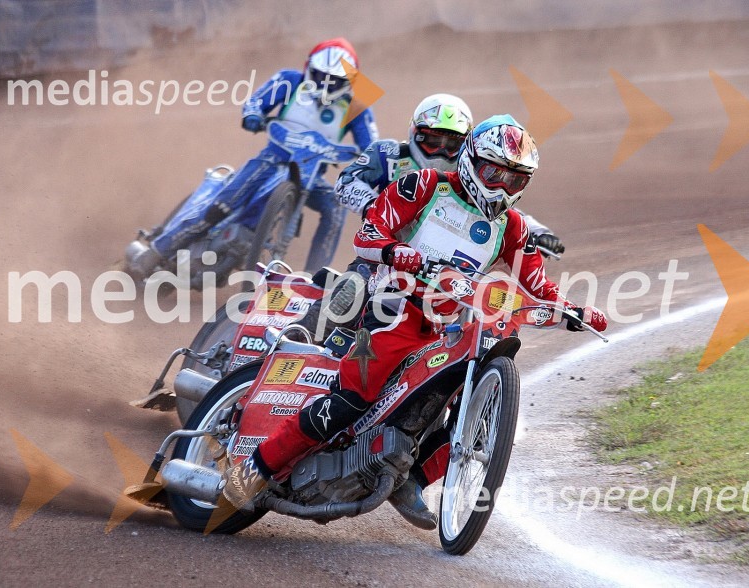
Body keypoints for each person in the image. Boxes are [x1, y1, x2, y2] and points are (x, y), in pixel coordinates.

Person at [224, 115, 607, 528]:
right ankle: (255, 468)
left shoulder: (512, 227)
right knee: (351, 400)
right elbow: (368, 234)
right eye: (494, 173)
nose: (501, 187)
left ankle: (411, 479)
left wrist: (574, 310)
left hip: (445, 328)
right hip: (393, 308)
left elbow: (537, 284)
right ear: (470, 160)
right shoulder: (425, 186)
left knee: (464, 409)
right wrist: (395, 251)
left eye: (515, 180)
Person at [298, 95, 565, 342]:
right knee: (352, 287)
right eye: (433, 141)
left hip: (452, 272)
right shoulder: (389, 154)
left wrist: (539, 232)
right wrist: (372, 207)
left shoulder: (473, 173)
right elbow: (346, 181)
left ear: (467, 147)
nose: (441, 151)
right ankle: (301, 336)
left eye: (452, 144)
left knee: (480, 312)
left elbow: (501, 213)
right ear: (415, 133)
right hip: (385, 256)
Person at [148, 38, 379, 273]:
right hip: (271, 160)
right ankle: (157, 252)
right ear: (309, 68)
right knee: (225, 203)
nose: (328, 84)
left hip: (311, 176)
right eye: (322, 76)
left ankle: (315, 278)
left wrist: (374, 164)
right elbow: (256, 102)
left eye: (336, 80)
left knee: (335, 206)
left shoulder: (358, 106)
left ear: (351, 81)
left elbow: (372, 146)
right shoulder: (290, 80)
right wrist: (253, 116)